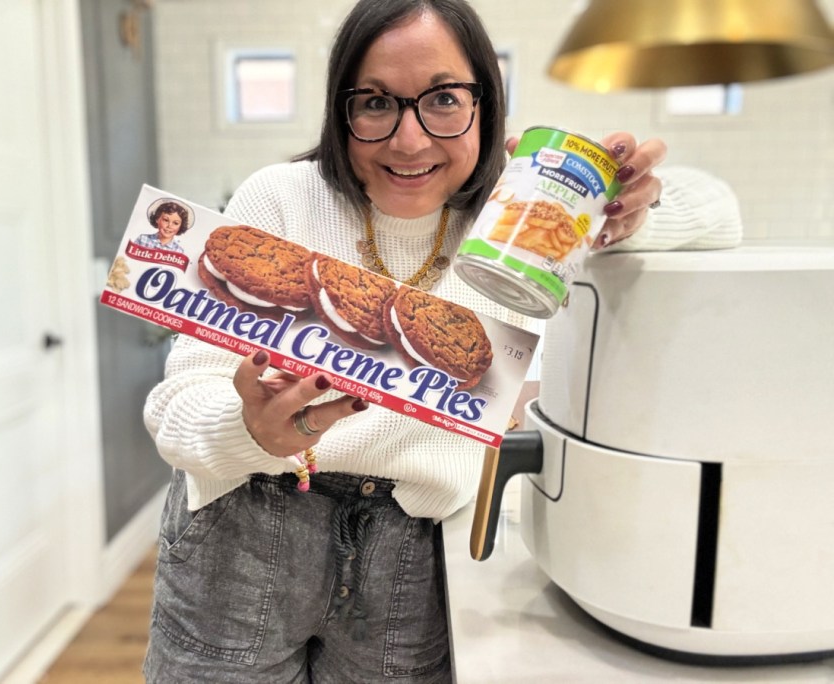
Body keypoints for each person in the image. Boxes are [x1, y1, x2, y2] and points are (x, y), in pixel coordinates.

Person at [141, 0, 741, 681]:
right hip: (244, 534)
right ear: (341, 109)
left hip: (411, 550)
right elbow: (176, 402)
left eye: (444, 99)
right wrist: (248, 427)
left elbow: (722, 209)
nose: (409, 140)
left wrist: (630, 214)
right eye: (375, 103)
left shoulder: (526, 230)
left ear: (487, 103)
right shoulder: (281, 200)